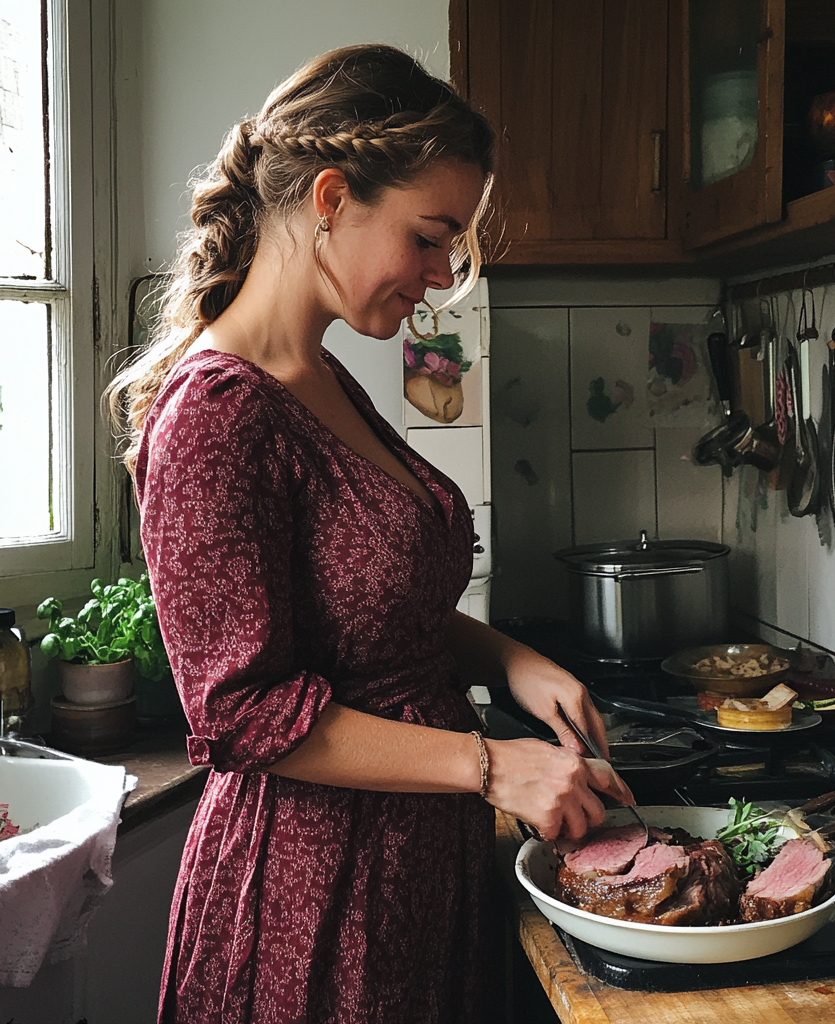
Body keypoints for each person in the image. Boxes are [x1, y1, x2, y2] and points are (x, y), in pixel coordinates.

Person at [106, 44, 631, 1024]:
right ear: (332, 197)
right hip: (312, 907)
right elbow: (243, 715)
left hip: (407, 878)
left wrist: (511, 659)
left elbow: (373, 611)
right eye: (429, 237)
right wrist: (492, 766)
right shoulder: (216, 412)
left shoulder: (321, 376)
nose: (437, 276)